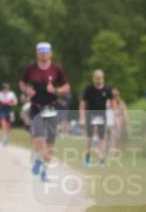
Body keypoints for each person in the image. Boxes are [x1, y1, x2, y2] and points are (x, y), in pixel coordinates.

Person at [19, 41, 70, 181]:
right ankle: (36, 160)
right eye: (41, 51)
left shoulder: (56, 69)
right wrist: (26, 90)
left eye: (46, 51)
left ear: (51, 53)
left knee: (50, 145)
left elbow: (67, 87)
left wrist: (56, 90)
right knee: (39, 139)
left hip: (52, 108)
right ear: (37, 53)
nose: (43, 54)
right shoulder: (31, 69)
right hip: (36, 108)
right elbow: (22, 83)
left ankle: (44, 169)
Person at [79, 69, 113, 167]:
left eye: (100, 79)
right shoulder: (89, 89)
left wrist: (114, 114)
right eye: (96, 79)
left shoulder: (107, 89)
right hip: (91, 114)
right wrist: (82, 117)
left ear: (102, 78)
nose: (98, 81)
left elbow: (112, 101)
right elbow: (82, 103)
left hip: (102, 115)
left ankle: (101, 160)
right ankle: (87, 158)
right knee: (89, 137)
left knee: (102, 138)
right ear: (94, 78)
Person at [109, 87, 129, 156]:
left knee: (117, 138)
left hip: (119, 124)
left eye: (116, 95)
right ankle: (111, 152)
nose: (114, 97)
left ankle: (116, 152)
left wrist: (127, 124)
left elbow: (125, 115)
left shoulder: (122, 104)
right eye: (113, 95)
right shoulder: (108, 103)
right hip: (110, 123)